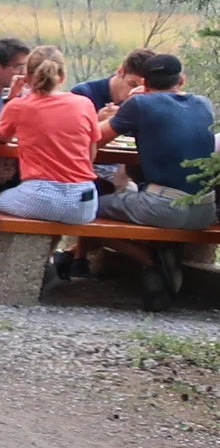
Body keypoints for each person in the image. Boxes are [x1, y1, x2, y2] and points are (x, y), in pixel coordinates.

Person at [92, 53, 215, 307]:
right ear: (182, 79)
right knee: (139, 194)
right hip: (205, 210)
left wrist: (124, 106)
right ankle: (160, 261)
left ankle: (150, 259)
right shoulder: (204, 104)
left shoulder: (140, 105)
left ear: (144, 84)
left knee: (86, 208)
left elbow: (93, 138)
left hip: (162, 208)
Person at [0, 46, 100, 225]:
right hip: (83, 201)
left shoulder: (20, 105)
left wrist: (11, 99)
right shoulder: (85, 104)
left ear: (27, 78)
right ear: (62, 77)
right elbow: (90, 153)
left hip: (40, 195)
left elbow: (1, 136)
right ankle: (48, 254)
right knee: (58, 219)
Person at [72, 48, 155, 114]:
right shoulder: (83, 94)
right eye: (132, 84)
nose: (136, 92)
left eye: (144, 89)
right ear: (121, 71)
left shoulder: (144, 104)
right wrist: (97, 120)